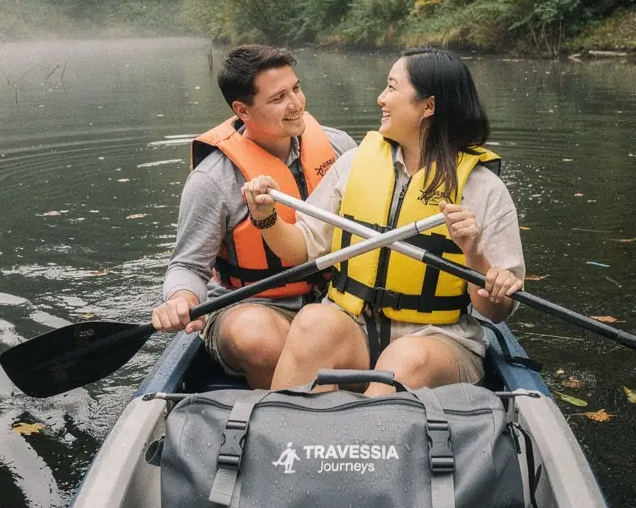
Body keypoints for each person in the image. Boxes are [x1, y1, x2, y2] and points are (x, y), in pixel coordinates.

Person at [240, 47, 525, 396]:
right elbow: (300, 249)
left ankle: (364, 443)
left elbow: (496, 311)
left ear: (428, 106)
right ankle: (281, 436)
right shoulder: (354, 164)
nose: (381, 98)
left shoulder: (484, 190)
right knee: (313, 321)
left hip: (436, 340)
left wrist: (474, 255)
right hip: (354, 326)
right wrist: (265, 217)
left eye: (391, 88)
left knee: (406, 359)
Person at [151, 45, 355, 387]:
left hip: (334, 297)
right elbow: (187, 265)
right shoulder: (212, 180)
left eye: (296, 88)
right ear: (242, 110)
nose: (296, 103)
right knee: (259, 340)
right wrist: (180, 299)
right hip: (255, 306)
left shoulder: (339, 148)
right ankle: (281, 416)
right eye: (279, 98)